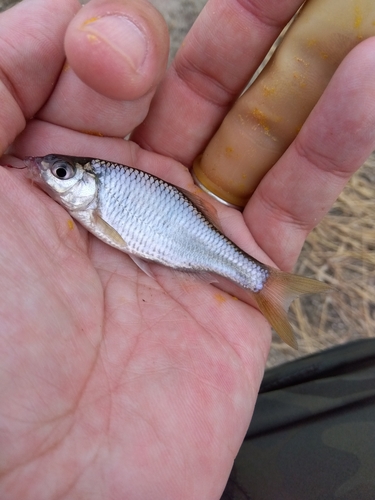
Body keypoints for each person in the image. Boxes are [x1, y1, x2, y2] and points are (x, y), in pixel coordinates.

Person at [0, 0, 374, 499]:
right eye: (59, 172)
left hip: (186, 237)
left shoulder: (101, 200)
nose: (53, 177)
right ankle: (263, 285)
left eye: (63, 173)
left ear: (86, 181)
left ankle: (265, 284)